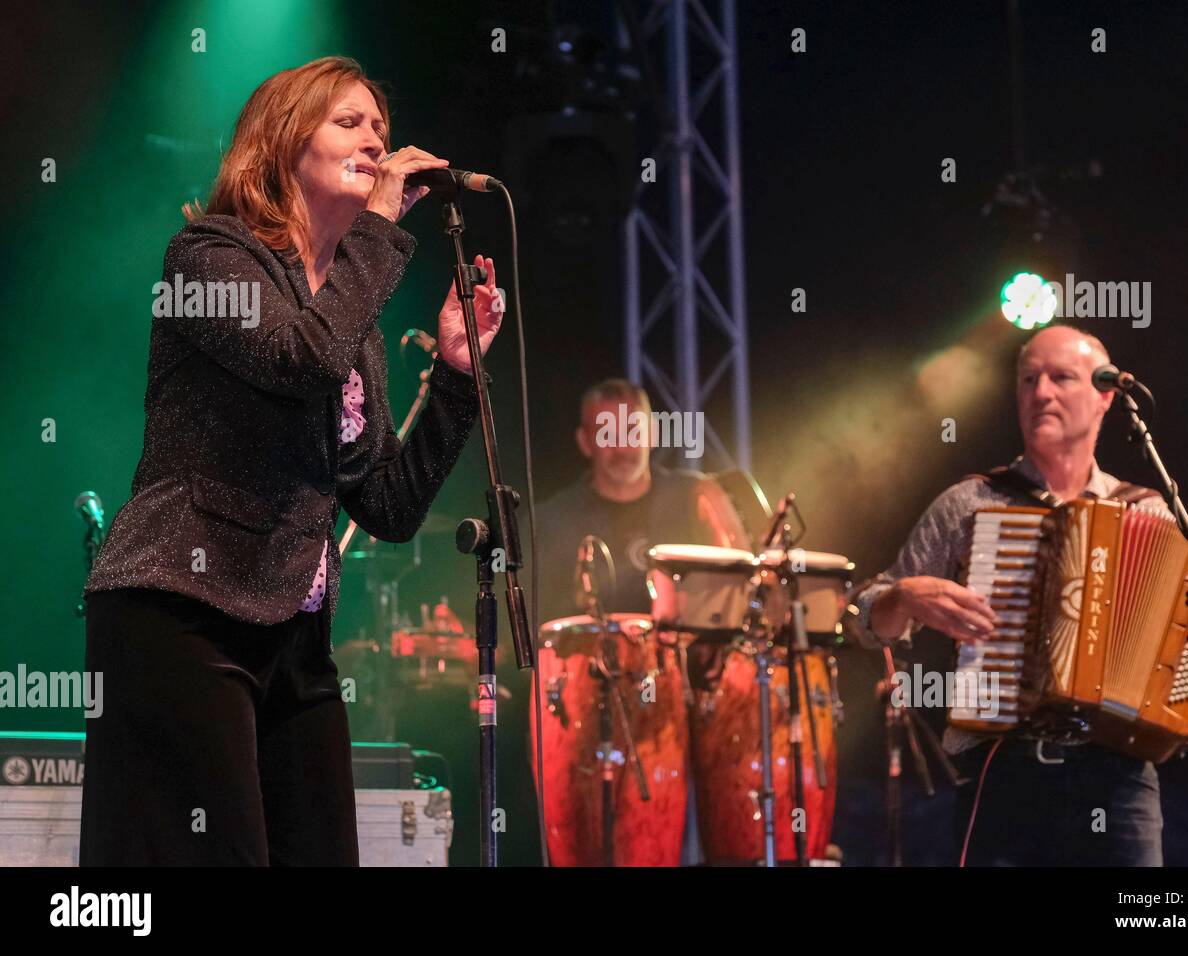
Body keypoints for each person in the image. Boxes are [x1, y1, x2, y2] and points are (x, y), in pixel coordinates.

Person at [80, 56, 503, 865]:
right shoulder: (207, 257)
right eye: (350, 123)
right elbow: (294, 360)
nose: (377, 142)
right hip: (183, 608)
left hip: (295, 637)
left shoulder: (359, 332)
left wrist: (455, 375)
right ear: (282, 143)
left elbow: (386, 506)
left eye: (381, 126)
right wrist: (380, 229)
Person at [854, 324, 1188, 866]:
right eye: (1028, 380)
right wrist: (901, 596)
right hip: (999, 770)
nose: (1040, 393)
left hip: (1119, 778)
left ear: (1107, 397)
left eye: (1061, 378)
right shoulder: (972, 503)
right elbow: (863, 616)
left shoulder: (1154, 512)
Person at [533, 378, 747, 624]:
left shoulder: (698, 496)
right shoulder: (550, 521)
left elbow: (741, 586)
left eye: (632, 431)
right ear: (585, 442)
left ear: (653, 433)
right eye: (607, 435)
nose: (622, 447)